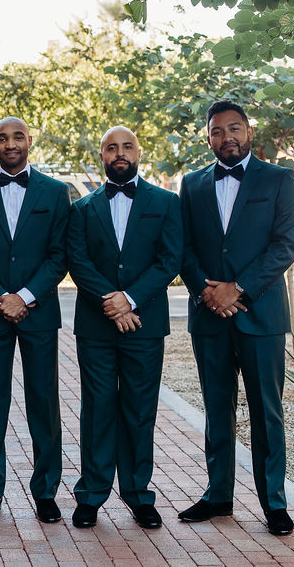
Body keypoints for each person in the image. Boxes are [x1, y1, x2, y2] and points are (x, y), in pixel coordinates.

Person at [178, 100, 294, 536]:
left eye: (234, 128)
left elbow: (285, 247)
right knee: (217, 409)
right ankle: (217, 495)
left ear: (248, 131)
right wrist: (207, 291)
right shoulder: (191, 185)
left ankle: (274, 503)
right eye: (217, 131)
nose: (226, 137)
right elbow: (184, 247)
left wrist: (239, 288)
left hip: (261, 316)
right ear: (207, 137)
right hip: (209, 315)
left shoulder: (280, 179)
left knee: (267, 411)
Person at [66, 126, 182, 529]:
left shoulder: (166, 202)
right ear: (101, 156)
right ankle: (91, 495)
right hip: (96, 327)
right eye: (111, 147)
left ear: (138, 152)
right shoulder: (81, 208)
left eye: (126, 146)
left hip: (145, 326)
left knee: (138, 411)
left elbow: (169, 260)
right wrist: (111, 303)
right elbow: (78, 262)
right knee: (97, 409)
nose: (120, 153)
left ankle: (138, 494)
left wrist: (129, 300)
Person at [0, 117, 70, 523]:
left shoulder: (56, 193)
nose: (10, 144)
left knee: (44, 402)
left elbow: (59, 254)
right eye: (2, 138)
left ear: (30, 142)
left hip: (38, 313)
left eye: (17, 137)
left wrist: (23, 297)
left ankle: (46, 491)